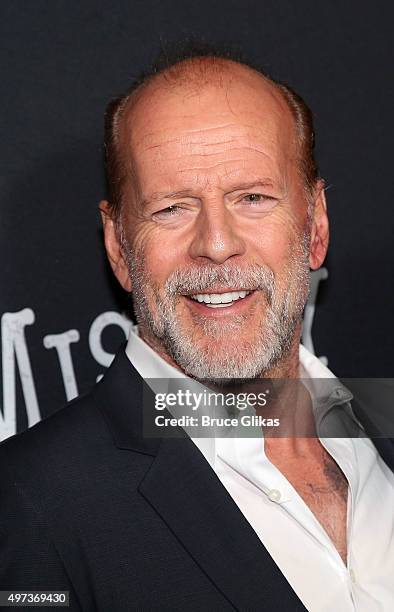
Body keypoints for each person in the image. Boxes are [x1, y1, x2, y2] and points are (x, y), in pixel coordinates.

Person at [1, 48, 393, 612]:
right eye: (172, 208)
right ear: (117, 245)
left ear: (315, 224)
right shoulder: (28, 501)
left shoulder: (380, 429)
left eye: (253, 198)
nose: (215, 243)